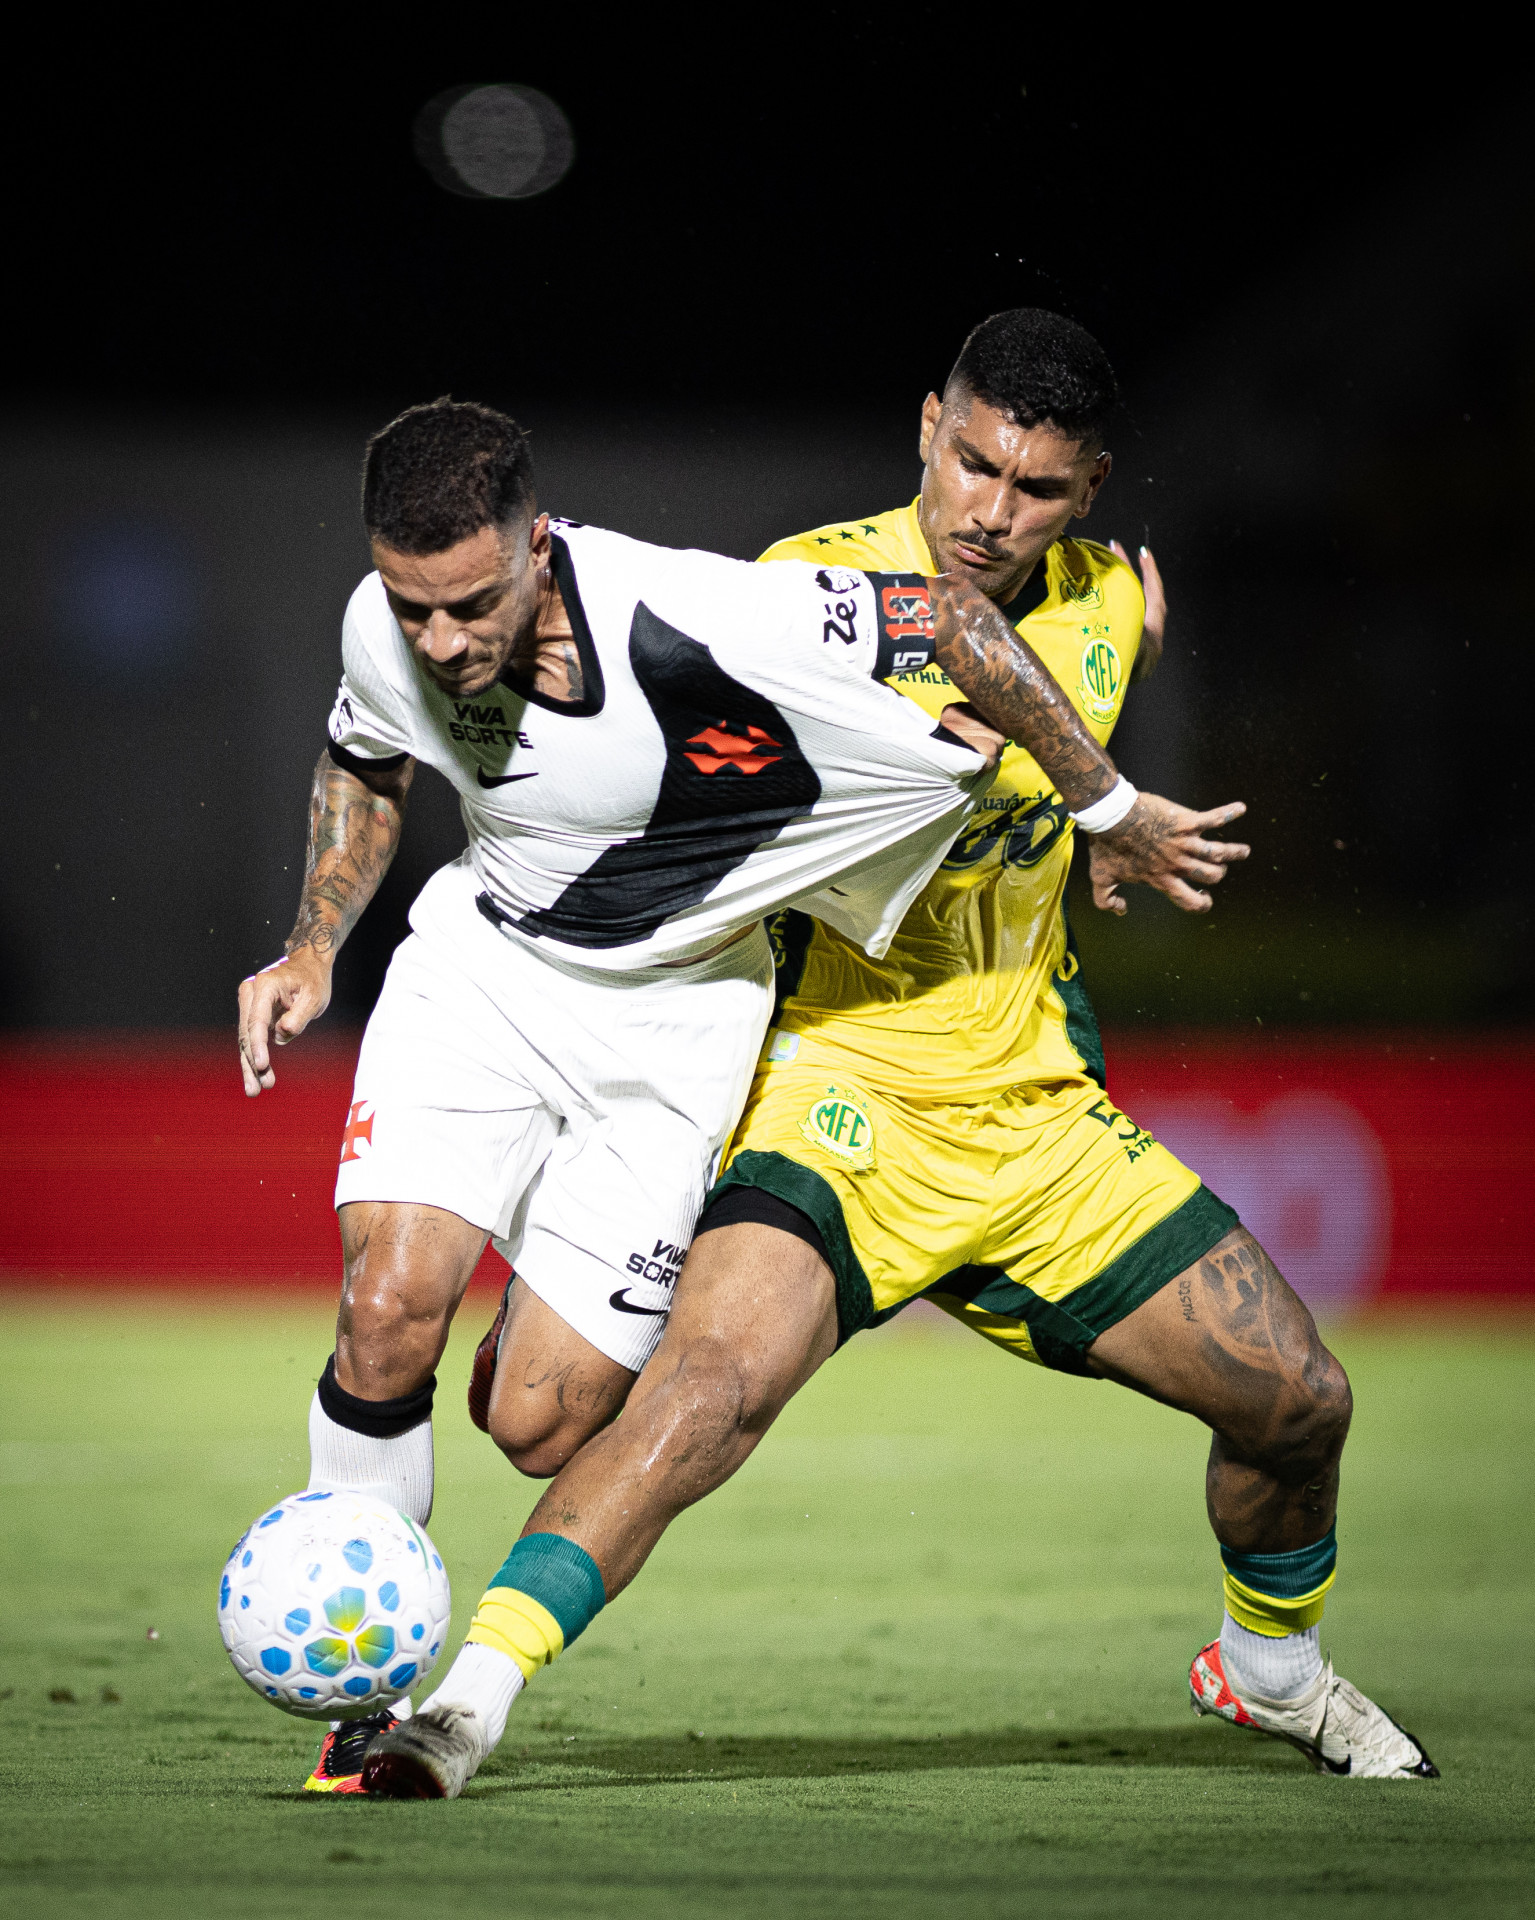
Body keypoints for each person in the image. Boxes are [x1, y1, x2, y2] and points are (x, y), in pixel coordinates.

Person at [363, 313, 1435, 1800]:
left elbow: (1066, 744)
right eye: (972, 462)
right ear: (927, 426)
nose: (992, 510)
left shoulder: (1109, 606)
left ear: (1092, 488)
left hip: (1036, 1114)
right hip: (833, 1089)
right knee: (699, 1401)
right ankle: (462, 1712)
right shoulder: (808, 592)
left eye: (1038, 488)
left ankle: (1269, 1671)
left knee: (1301, 1400)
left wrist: (1094, 823)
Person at [235, 394, 1233, 1792]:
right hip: (485, 974)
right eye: (415, 608)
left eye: (470, 605)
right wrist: (313, 943)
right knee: (388, 1311)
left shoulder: (699, 617)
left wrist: (1108, 807)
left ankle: (534, 1300)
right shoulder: (379, 627)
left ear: (537, 544)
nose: (442, 643)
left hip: (681, 1027)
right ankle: (369, 1691)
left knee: (537, 1424)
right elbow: (366, 756)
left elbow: (956, 624)